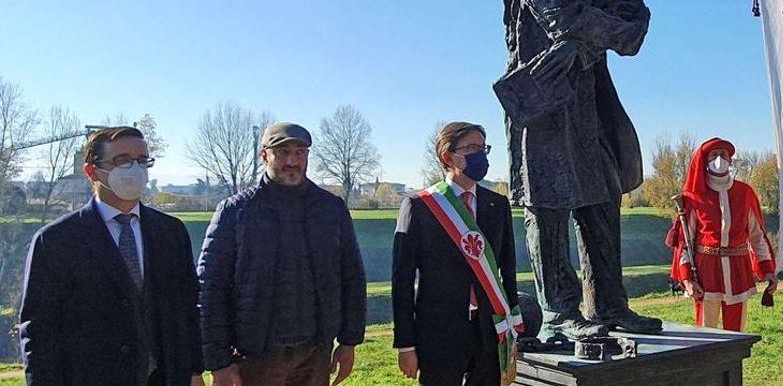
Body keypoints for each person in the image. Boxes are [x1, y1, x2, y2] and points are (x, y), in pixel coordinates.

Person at [498, 0, 659, 339]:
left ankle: (609, 304)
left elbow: (638, 14)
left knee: (603, 196)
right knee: (547, 203)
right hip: (545, 92)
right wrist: (609, 29)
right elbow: (558, 13)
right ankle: (559, 312)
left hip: (590, 87)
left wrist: (594, 37)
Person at [18, 126, 203, 385]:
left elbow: (187, 309)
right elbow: (39, 330)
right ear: (92, 171)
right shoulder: (56, 241)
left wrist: (194, 370)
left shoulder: (170, 232)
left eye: (142, 161)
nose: (135, 169)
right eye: (122, 161)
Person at [197, 122, 366, 386]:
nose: (292, 161)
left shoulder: (331, 209)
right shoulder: (236, 211)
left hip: (315, 355)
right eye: (283, 152)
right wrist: (218, 361)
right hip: (255, 358)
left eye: (300, 153)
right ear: (264, 155)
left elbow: (352, 277)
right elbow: (210, 288)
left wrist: (349, 340)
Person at [392, 122, 522, 385]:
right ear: (447, 156)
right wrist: (406, 344)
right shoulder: (420, 206)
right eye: (471, 148)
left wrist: (513, 325)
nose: (481, 156)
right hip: (439, 332)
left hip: (490, 328)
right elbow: (402, 280)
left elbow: (507, 268)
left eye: (483, 148)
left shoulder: (497, 205)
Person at [667, 138, 778, 332]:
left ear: (730, 160)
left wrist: (767, 269)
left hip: (738, 271)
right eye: (713, 155)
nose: (719, 159)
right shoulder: (695, 196)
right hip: (706, 272)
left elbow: (757, 236)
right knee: (706, 333)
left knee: (736, 333)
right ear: (705, 161)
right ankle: (707, 364)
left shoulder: (745, 193)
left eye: (723, 155)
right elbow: (686, 241)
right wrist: (687, 280)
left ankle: (733, 363)